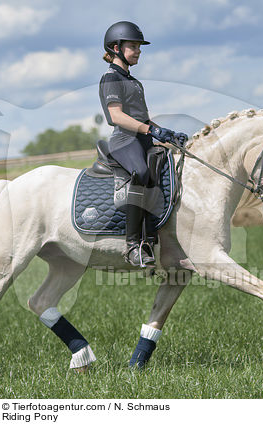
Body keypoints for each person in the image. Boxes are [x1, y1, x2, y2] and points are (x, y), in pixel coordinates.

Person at [99, 21, 187, 268]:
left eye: (139, 47)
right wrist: (150, 129)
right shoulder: (110, 79)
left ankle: (152, 239)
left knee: (168, 165)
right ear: (116, 48)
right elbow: (116, 116)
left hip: (142, 138)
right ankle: (133, 246)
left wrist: (164, 133)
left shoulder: (134, 82)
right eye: (133, 46)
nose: (138, 51)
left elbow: (142, 119)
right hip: (124, 140)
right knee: (141, 171)